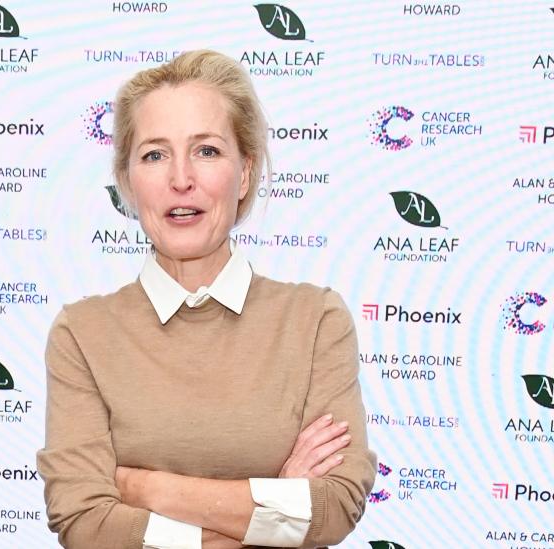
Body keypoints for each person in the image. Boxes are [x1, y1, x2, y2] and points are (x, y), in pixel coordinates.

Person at [37, 50, 376, 549]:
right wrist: (273, 504)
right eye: (155, 154)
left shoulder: (315, 320)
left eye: (207, 151)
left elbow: (335, 503)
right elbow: (85, 522)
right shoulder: (83, 333)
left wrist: (147, 489)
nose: (180, 179)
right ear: (128, 180)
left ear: (244, 174)